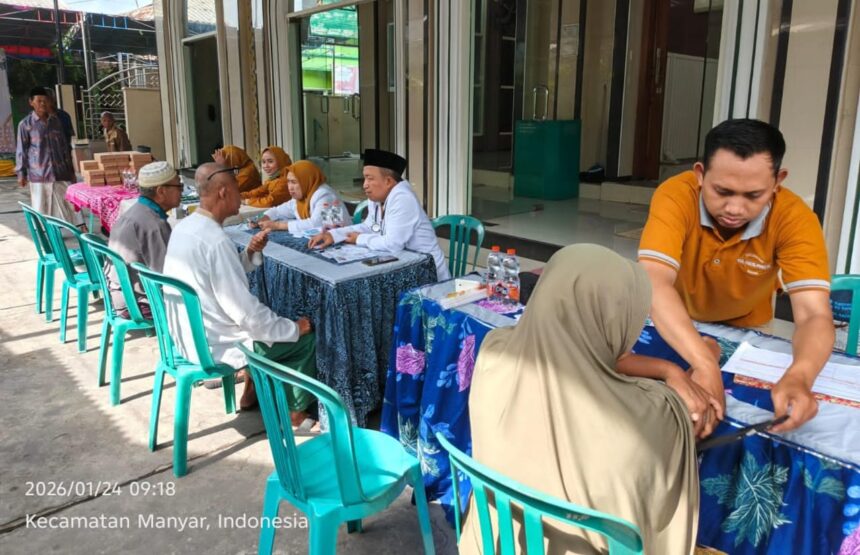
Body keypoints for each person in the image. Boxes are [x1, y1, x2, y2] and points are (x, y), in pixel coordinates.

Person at [461, 244, 698, 554]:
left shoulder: (493, 353)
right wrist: (689, 365)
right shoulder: (648, 415)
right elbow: (691, 414)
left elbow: (567, 342)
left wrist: (664, 367)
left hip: (495, 542)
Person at [638, 118, 834, 437]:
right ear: (700, 175)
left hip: (746, 327)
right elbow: (653, 282)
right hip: (672, 320)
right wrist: (705, 362)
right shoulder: (676, 195)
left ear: (777, 182)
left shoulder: (795, 219)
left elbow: (813, 313)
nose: (734, 208)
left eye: (753, 195)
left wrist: (801, 375)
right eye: (722, 191)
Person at [162, 162, 317, 420]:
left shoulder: (185, 227)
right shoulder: (215, 240)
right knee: (303, 340)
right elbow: (246, 315)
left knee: (270, 325)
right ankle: (295, 414)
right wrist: (293, 328)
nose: (242, 194)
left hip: (186, 335)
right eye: (237, 188)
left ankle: (252, 389)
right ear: (223, 191)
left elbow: (218, 278)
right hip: (215, 345)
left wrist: (250, 252)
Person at [308, 149, 450, 281]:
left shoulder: (403, 199)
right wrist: (333, 235)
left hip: (426, 273)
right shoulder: (377, 200)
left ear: (388, 181)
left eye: (370, 179)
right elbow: (371, 227)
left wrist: (359, 239)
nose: (364, 185)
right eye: (364, 179)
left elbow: (392, 244)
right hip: (398, 267)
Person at [106, 161, 182, 318]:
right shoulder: (153, 224)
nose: (182, 191)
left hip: (120, 294)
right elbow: (166, 277)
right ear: (161, 191)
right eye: (178, 187)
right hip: (136, 303)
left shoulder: (134, 211)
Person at [15, 86, 80, 224]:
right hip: (39, 173)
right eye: (39, 101)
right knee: (41, 206)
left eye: (45, 100)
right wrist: (21, 174)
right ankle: (45, 234)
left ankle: (79, 228)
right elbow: (21, 150)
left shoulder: (57, 122)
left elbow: (65, 147)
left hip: (61, 171)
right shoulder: (25, 124)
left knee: (69, 203)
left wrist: (71, 171)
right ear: (31, 102)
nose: (43, 104)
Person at [252, 159, 349, 233]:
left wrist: (278, 225)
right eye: (288, 182)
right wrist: (262, 218)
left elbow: (316, 224)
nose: (290, 187)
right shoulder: (301, 198)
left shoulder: (324, 195)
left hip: (341, 241)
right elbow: (278, 211)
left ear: (306, 181)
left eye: (294, 182)